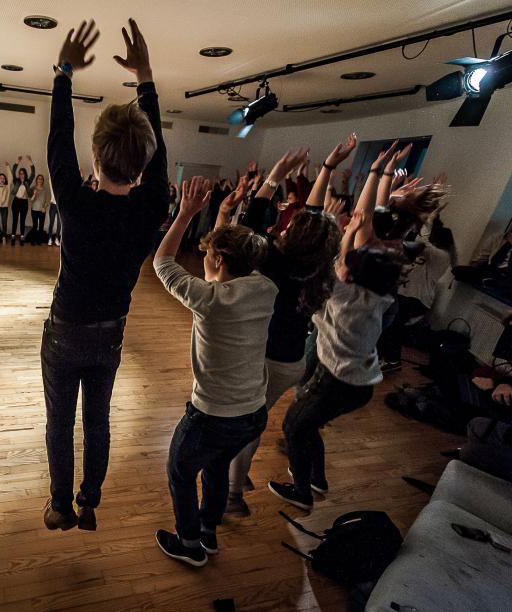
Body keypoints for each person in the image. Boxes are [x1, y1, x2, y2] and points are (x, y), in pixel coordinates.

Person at [42, 18, 169, 531]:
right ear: (142, 168)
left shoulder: (75, 202)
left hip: (66, 330)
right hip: (111, 334)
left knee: (60, 424)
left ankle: (59, 507)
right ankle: (90, 500)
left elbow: (57, 140)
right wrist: (146, 79)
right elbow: (154, 154)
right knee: (98, 422)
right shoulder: (152, 204)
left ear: (94, 159)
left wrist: (65, 72)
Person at [269, 147, 405, 511]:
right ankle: (317, 478)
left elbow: (337, 263)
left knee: (294, 427)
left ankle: (302, 490)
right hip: (361, 385)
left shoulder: (342, 295)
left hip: (338, 381)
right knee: (307, 425)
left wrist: (349, 230)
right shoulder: (379, 297)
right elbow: (345, 263)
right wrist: (378, 178)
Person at [223, 138, 353, 516]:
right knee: (255, 418)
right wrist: (326, 168)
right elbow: (314, 221)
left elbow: (245, 229)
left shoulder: (276, 262)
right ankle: (238, 475)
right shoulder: (320, 265)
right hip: (292, 360)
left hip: (264, 359)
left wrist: (275, 175)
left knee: (245, 423)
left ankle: (231, 494)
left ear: (295, 233)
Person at [151, 176, 276, 567]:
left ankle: (190, 545)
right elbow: (236, 254)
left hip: (213, 416)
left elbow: (162, 262)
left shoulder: (210, 300)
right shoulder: (264, 287)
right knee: (217, 467)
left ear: (218, 261)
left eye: (211, 255)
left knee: (180, 470)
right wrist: (223, 215)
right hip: (252, 413)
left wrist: (186, 213)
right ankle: (207, 530)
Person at [10, 156, 35, 246]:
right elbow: (13, 171)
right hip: (16, 201)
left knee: (22, 221)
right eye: (20, 173)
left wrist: (30, 161)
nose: (21, 175)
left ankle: (21, 238)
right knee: (15, 220)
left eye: (23, 173)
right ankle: (13, 237)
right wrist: (17, 161)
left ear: (25, 174)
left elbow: (33, 173)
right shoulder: (16, 181)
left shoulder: (28, 181)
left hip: (24, 202)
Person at [29, 174, 51, 245]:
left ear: (43, 181)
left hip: (42, 211)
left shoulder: (45, 190)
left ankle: (39, 241)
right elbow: (31, 200)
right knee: (35, 225)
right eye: (38, 179)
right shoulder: (33, 188)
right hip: (34, 210)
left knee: (41, 226)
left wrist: (44, 207)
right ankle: (33, 240)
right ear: (36, 180)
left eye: (41, 179)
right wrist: (34, 194)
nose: (40, 180)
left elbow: (47, 200)